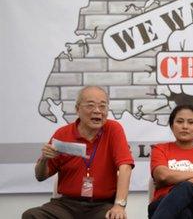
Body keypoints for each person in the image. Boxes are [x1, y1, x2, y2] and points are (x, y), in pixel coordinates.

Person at [22, 86, 134, 219]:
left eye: (103, 106)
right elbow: (40, 176)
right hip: (66, 205)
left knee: (115, 218)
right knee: (31, 215)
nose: (98, 111)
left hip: (101, 205)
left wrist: (119, 205)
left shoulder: (113, 129)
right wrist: (44, 159)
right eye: (90, 105)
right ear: (77, 109)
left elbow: (125, 166)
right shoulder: (63, 133)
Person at [148, 105, 193, 219]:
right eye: (180, 122)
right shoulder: (160, 149)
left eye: (191, 122)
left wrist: (175, 181)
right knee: (183, 213)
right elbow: (162, 176)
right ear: (172, 126)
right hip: (162, 203)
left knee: (186, 187)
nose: (185, 126)